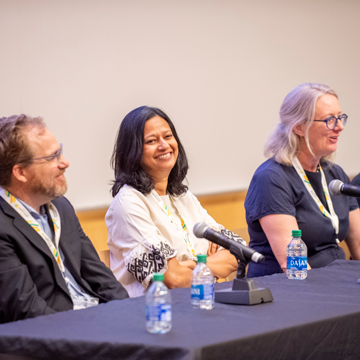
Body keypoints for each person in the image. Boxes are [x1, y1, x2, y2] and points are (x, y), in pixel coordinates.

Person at [0, 115, 128, 324]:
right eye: (52, 157)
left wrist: (129, 314)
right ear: (20, 172)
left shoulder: (61, 206)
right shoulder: (3, 225)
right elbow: (27, 310)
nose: (65, 163)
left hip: (95, 319)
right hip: (56, 335)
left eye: (60, 152)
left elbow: (100, 276)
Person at [106, 106, 241, 297]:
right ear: (132, 152)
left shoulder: (183, 197)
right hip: (153, 315)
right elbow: (173, 280)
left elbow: (238, 254)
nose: (164, 145)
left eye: (168, 136)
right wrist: (209, 263)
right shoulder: (128, 203)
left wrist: (191, 265)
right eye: (151, 141)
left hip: (198, 305)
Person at [245, 83, 360, 278]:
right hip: (288, 291)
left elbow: (358, 246)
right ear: (299, 127)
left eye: (340, 117)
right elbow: (293, 266)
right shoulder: (271, 179)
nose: (339, 126)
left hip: (336, 282)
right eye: (329, 120)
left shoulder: (335, 174)